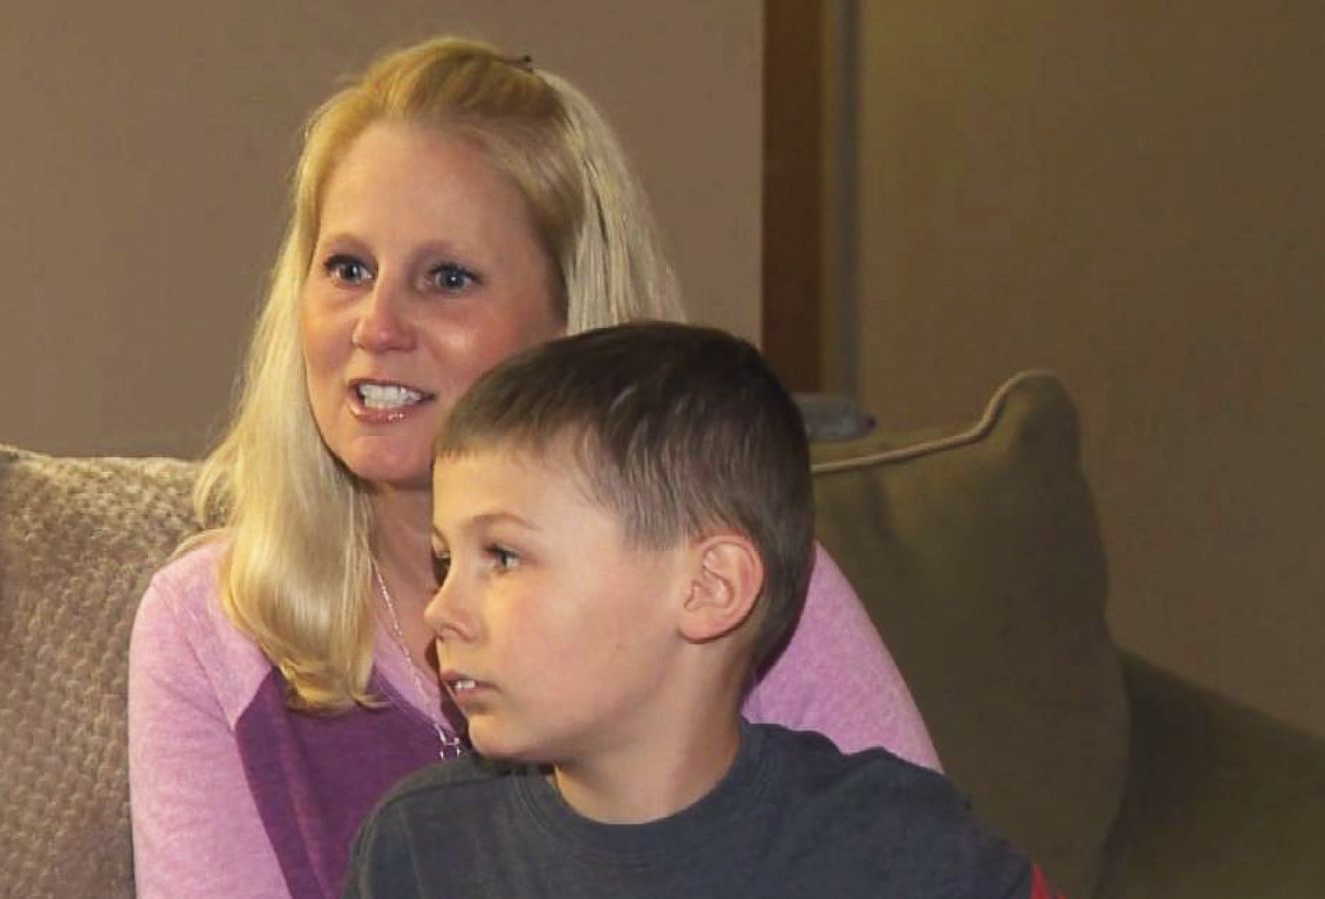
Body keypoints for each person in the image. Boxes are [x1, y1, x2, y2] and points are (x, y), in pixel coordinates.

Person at [128, 36, 936, 899]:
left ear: (570, 326)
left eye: (447, 277)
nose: (375, 325)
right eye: (347, 268)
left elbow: (921, 859)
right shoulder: (207, 631)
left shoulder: (727, 569)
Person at [344, 322, 1057, 898]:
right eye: (444, 561)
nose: (440, 608)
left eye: (502, 556)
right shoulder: (421, 851)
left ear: (710, 587)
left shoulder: (897, 846)